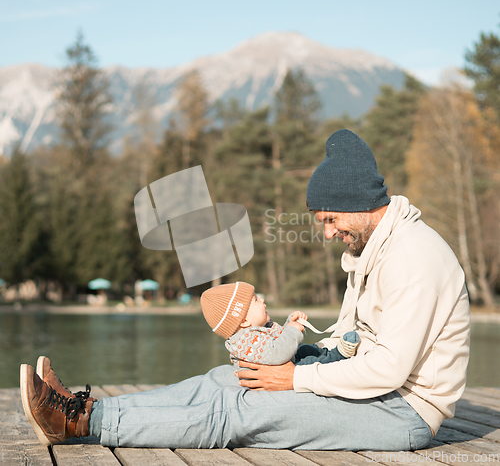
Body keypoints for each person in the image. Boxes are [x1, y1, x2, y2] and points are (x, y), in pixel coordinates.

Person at [20, 129, 470, 451]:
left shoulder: (413, 258)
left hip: (401, 411)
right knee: (228, 379)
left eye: (331, 221)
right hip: (369, 387)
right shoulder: (374, 248)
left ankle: (78, 424)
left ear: (357, 204)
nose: (329, 234)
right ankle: (89, 407)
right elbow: (352, 338)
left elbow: (390, 370)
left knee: (241, 411)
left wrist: (292, 377)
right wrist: (297, 354)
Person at [200, 281, 360, 367]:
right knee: (307, 364)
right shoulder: (245, 342)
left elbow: (276, 340)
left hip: (283, 362)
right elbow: (278, 354)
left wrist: (290, 323)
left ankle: (324, 352)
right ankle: (338, 356)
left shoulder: (255, 330)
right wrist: (292, 331)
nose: (262, 300)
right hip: (278, 370)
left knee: (305, 349)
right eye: (256, 300)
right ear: (244, 321)